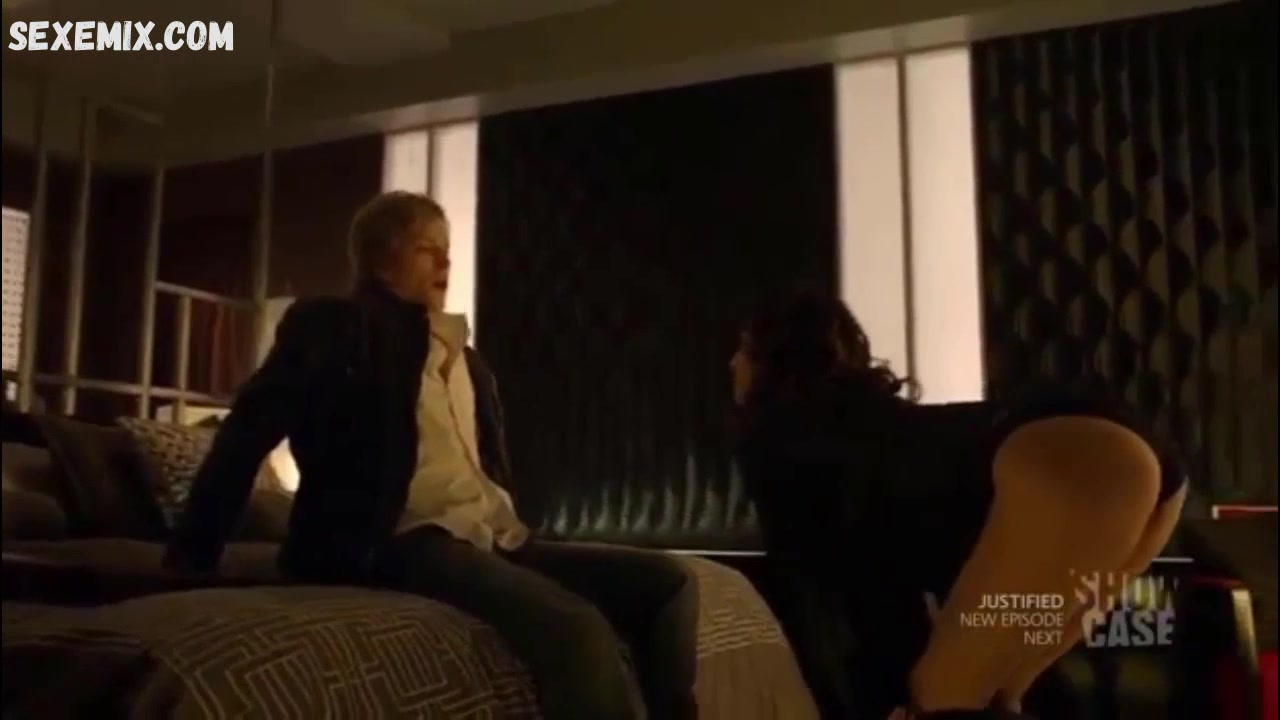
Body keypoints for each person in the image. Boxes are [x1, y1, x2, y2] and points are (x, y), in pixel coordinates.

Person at [163, 191, 699, 720]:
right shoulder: (338, 327)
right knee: (577, 629)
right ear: (381, 259)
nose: (445, 262)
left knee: (668, 585)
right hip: (397, 537)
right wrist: (193, 554)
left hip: (488, 536)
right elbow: (246, 434)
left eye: (447, 249)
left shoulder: (466, 358)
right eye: (426, 248)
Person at [729, 292, 1187, 720]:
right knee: (1001, 692)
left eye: (745, 350)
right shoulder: (881, 428)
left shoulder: (782, 441)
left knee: (941, 695)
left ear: (779, 362)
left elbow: (830, 596)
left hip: (1071, 458)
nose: (733, 363)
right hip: (1135, 464)